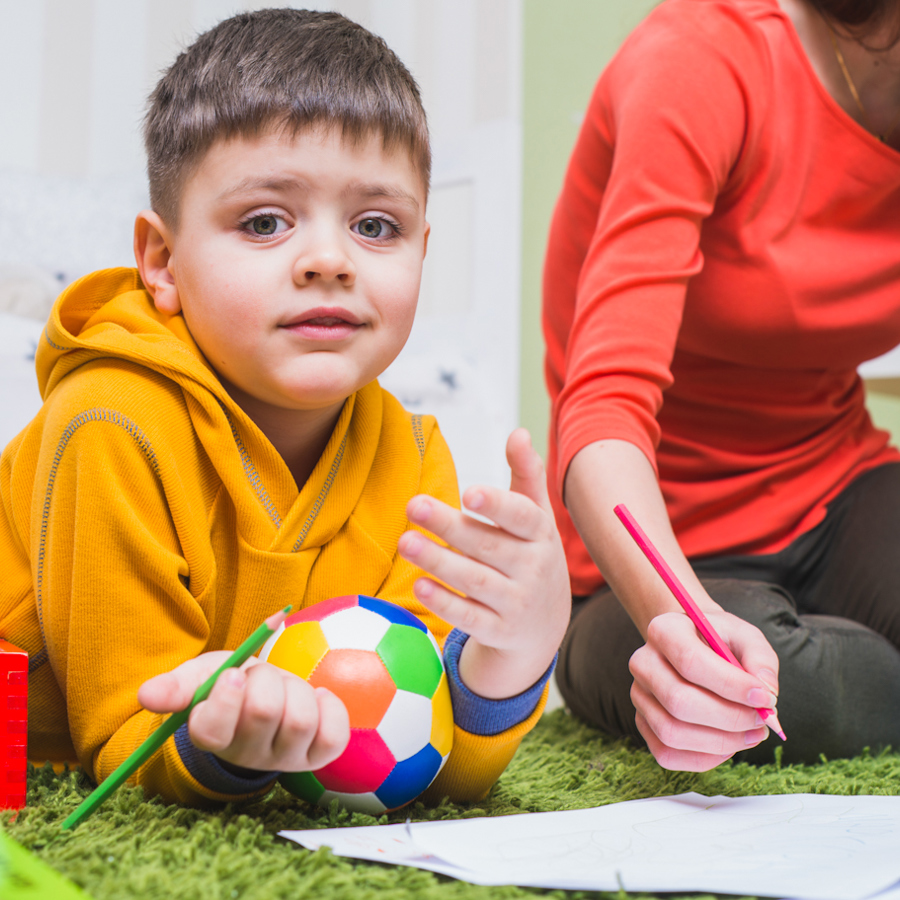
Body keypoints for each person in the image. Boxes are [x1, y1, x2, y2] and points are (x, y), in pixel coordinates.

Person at [0, 8, 570, 808]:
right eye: (265, 222)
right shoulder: (107, 422)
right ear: (161, 262)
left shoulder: (414, 456)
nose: (330, 261)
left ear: (422, 249)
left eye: (376, 226)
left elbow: (434, 763)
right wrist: (214, 741)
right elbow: (121, 736)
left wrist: (517, 650)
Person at [543, 0, 900, 772]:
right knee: (767, 691)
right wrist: (679, 618)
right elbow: (602, 407)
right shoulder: (702, 59)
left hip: (838, 490)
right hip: (649, 556)